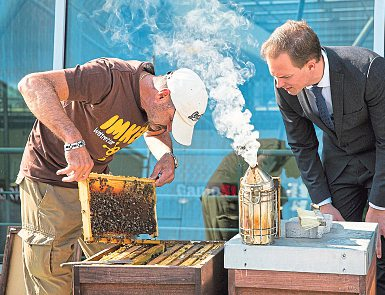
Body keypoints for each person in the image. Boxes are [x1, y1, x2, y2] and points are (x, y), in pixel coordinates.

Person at [16, 57, 208, 295]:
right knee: (51, 271)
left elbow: (156, 132)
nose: (169, 128)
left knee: (117, 264)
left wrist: (167, 155)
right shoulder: (107, 77)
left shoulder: (153, 104)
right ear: (162, 95)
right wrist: (73, 141)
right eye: (172, 120)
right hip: (51, 176)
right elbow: (33, 84)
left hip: (96, 184)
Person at [260, 20, 385, 292]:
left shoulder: (368, 69)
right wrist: (323, 203)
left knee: (381, 253)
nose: (279, 85)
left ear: (311, 65)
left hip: (380, 161)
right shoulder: (285, 86)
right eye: (275, 77)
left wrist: (379, 206)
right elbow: (302, 146)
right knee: (339, 250)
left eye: (285, 77)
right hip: (339, 165)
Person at [201, 138, 299, 241]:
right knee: (226, 245)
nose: (294, 176)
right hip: (223, 196)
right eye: (299, 171)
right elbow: (257, 180)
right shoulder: (273, 152)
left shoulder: (275, 153)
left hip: (222, 194)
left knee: (224, 244)